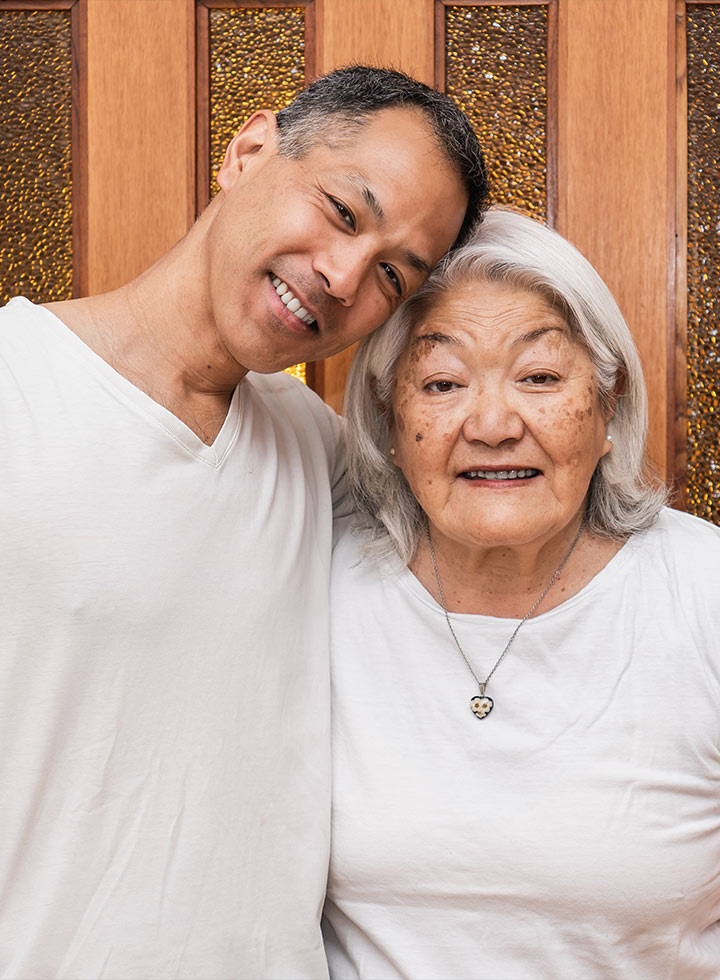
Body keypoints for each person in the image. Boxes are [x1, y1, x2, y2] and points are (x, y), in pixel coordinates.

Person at [0, 66, 488, 979]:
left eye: (392, 273)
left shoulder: (320, 451)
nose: (344, 277)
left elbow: (494, 552)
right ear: (250, 150)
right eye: (344, 212)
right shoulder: (17, 387)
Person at [324, 207, 720, 980]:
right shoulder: (313, 587)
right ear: (390, 420)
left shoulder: (703, 594)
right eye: (442, 383)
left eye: (540, 377)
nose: (495, 423)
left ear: (608, 408)